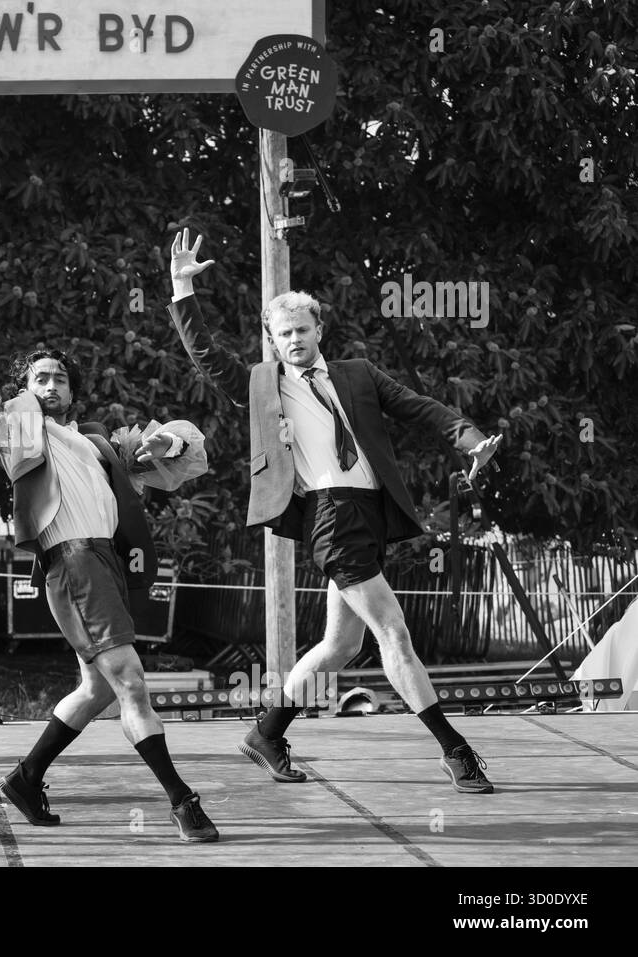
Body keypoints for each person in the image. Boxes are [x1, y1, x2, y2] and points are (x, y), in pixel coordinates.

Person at [166, 228, 504, 793]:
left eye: (302, 329)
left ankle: (266, 733)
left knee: (342, 646)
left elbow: (418, 408)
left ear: (319, 331)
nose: (294, 339)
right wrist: (181, 286)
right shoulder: (261, 384)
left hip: (369, 513)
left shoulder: (357, 373)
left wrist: (469, 440)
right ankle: (456, 750)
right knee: (394, 634)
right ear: (271, 342)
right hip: (329, 517)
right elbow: (205, 354)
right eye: (283, 334)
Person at [0, 318, 219, 843]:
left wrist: (167, 442)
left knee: (97, 689)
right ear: (24, 389)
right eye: (40, 378)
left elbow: (183, 458)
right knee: (130, 680)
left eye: (60, 378)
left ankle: (25, 777)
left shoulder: (100, 445)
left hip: (108, 563)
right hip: (74, 561)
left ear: (73, 391)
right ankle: (182, 799)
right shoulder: (16, 427)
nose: (50, 385)